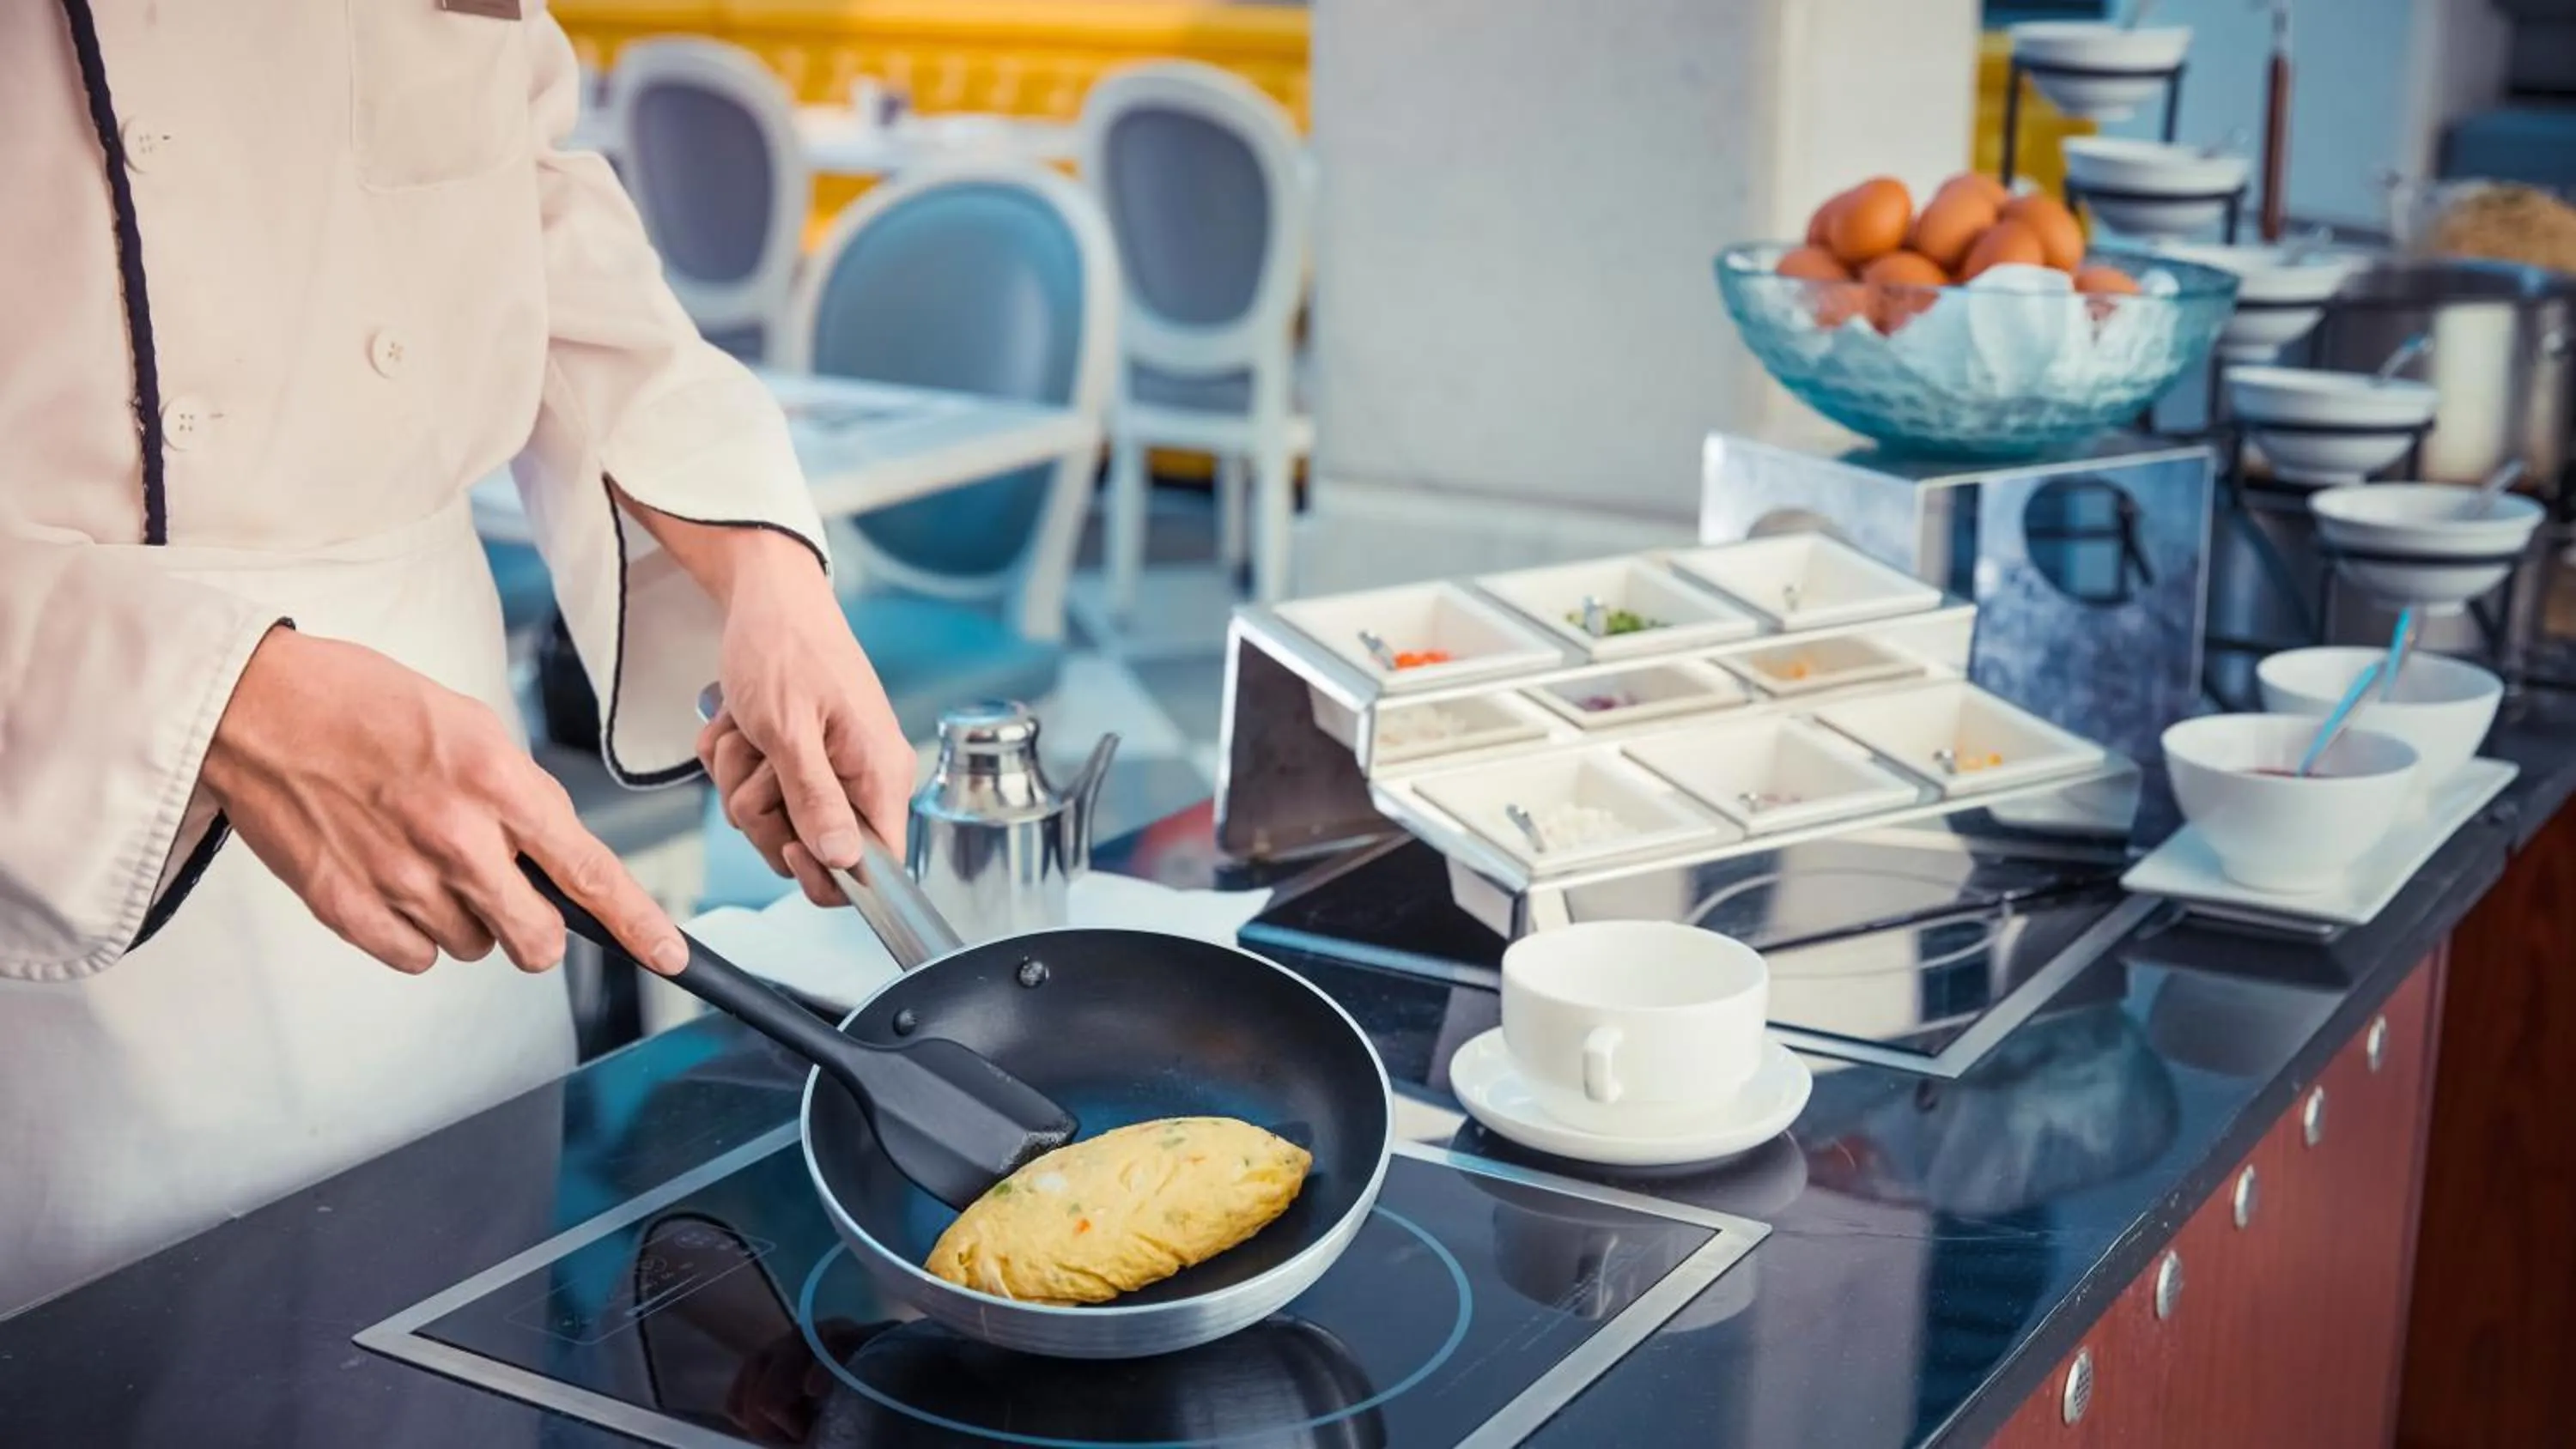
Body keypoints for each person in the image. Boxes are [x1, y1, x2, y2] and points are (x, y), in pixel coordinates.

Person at [0, 1, 908, 1316]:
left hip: (470, 913)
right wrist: (224, 701)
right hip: (81, 870)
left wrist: (760, 560)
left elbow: (527, 207)